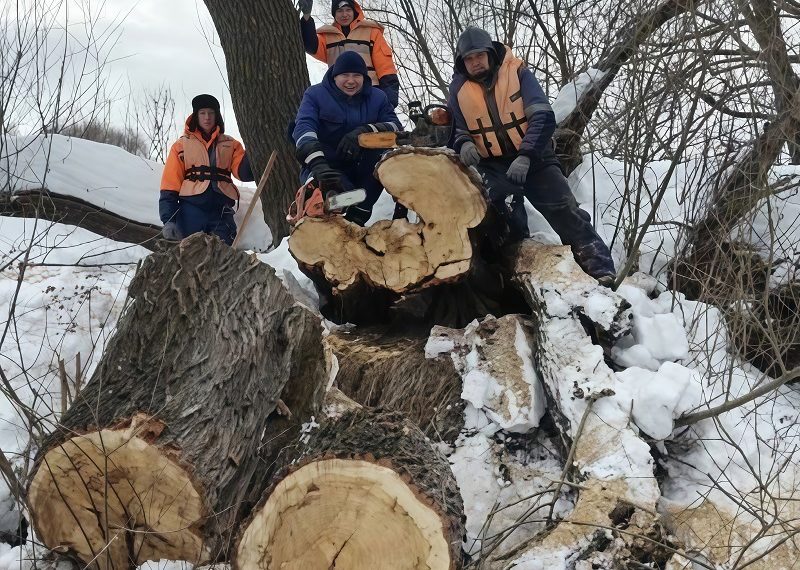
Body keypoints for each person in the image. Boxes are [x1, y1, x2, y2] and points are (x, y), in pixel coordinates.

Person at [447, 27, 616, 284]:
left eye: (479, 55)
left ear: (490, 54)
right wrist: (465, 144)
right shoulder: (458, 90)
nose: (475, 62)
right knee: (502, 217)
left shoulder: (518, 73)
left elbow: (543, 117)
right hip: (493, 165)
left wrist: (526, 155)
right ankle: (517, 276)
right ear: (462, 62)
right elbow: (458, 131)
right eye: (469, 59)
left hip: (535, 157)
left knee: (564, 209)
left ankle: (600, 269)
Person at [292, 51, 401, 226]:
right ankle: (319, 208)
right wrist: (318, 163)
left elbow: (395, 128)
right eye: (345, 75)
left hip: (363, 170)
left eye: (357, 75)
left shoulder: (378, 97)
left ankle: (359, 216)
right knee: (335, 198)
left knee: (384, 160)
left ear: (364, 77)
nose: (351, 81)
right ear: (335, 76)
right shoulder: (315, 95)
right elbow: (303, 128)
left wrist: (363, 132)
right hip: (327, 168)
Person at [159, 94, 254, 245]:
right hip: (190, 211)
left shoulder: (231, 144)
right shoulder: (181, 146)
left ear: (217, 116)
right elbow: (170, 185)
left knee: (224, 260)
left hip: (221, 212)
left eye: (211, 113)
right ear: (196, 116)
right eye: (202, 113)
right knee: (189, 258)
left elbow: (243, 173)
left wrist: (254, 149)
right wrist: (168, 220)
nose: (207, 117)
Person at [298, 0, 400, 108]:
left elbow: (385, 66)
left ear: (354, 11)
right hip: (339, 96)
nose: (344, 14)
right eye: (340, 11)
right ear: (334, 14)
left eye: (348, 10)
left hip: (370, 92)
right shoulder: (327, 36)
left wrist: (389, 99)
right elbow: (311, 46)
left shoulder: (371, 32)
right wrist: (306, 17)